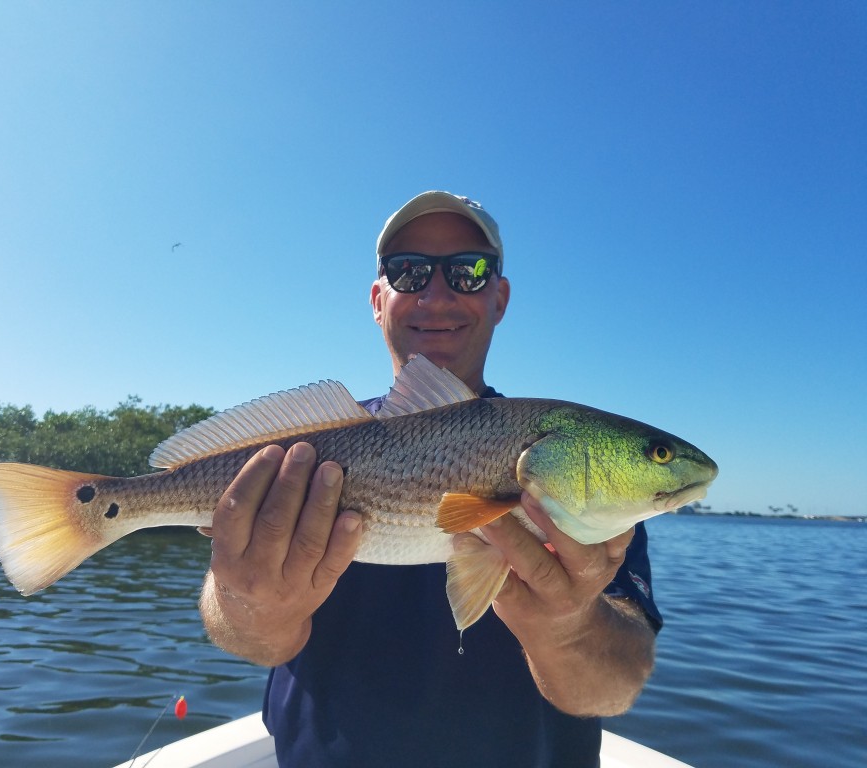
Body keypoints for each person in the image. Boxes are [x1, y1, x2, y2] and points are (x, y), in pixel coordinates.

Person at [199, 191, 662, 767]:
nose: (437, 295)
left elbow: (612, 690)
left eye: (469, 272)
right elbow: (250, 640)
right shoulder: (302, 454)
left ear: (501, 297)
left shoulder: (571, 474)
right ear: (377, 299)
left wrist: (567, 627)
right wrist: (249, 603)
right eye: (408, 272)